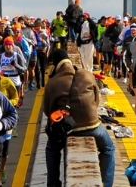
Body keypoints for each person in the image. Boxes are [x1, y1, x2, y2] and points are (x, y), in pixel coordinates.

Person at [43, 50, 116, 187]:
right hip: (92, 126)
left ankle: (53, 184)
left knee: (52, 148)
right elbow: (96, 100)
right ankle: (106, 184)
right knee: (108, 148)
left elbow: (48, 111)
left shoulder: (52, 83)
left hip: (68, 130)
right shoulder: (87, 75)